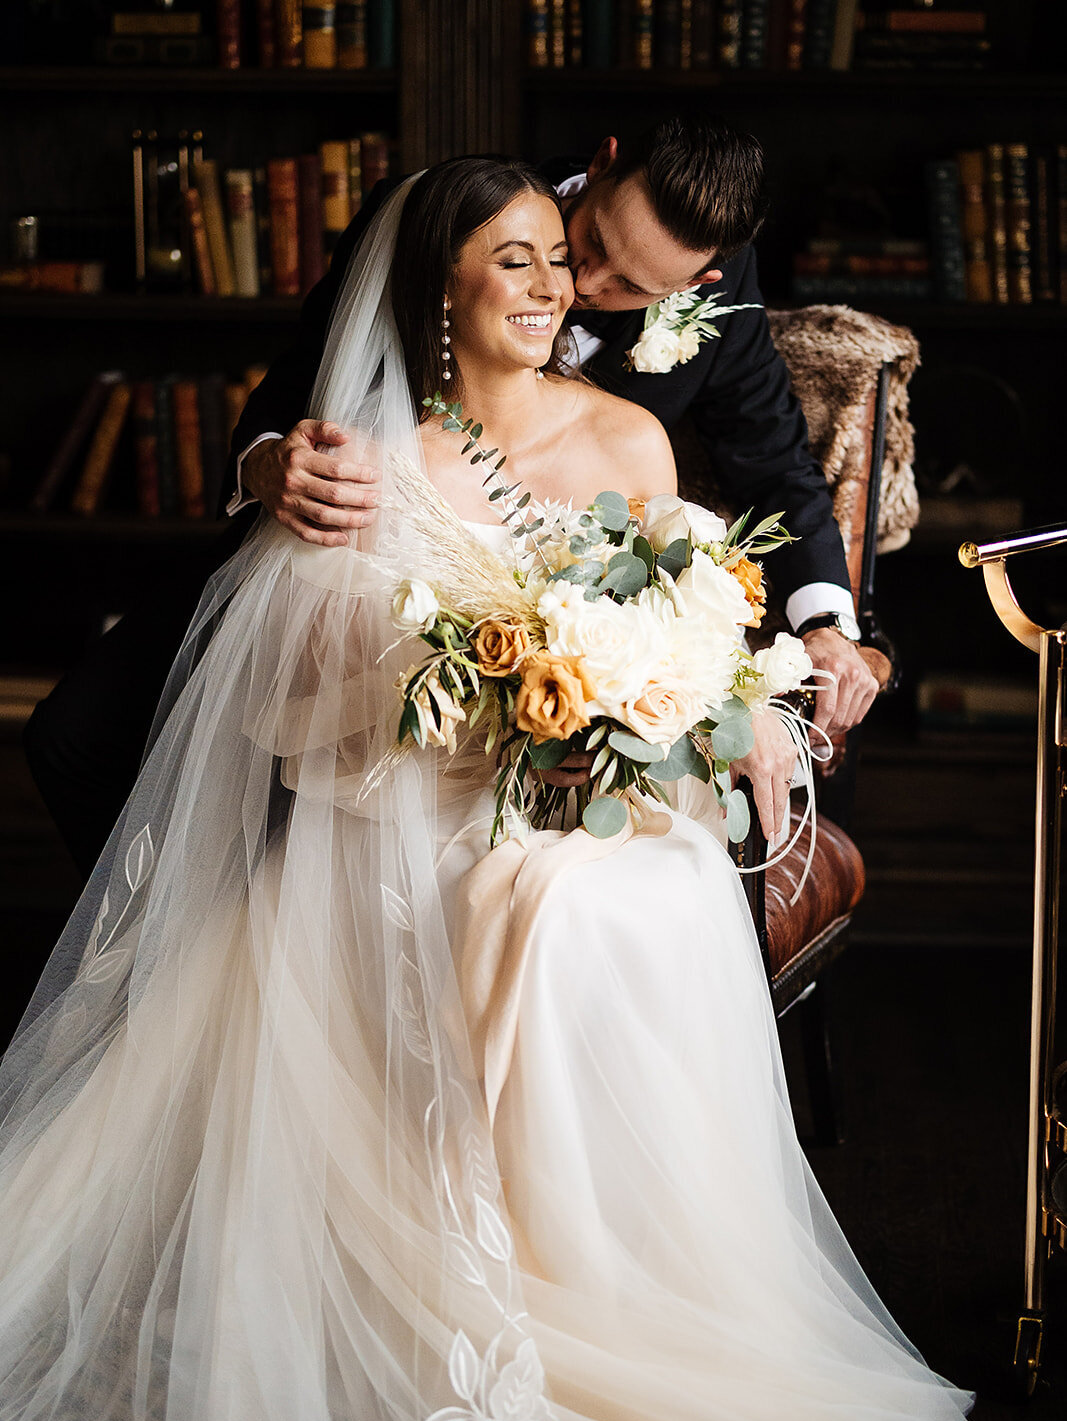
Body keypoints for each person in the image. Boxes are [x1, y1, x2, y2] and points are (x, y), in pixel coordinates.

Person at [0, 158, 1000, 1421]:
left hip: (599, 795)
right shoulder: (371, 453)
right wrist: (291, 492)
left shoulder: (649, 413)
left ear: (685, 291)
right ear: (448, 283)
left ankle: (633, 1286)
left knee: (619, 897)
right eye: (534, 258)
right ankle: (453, 1254)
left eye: (579, 272)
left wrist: (701, 689)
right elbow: (309, 676)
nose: (563, 289)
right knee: (489, 893)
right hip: (417, 782)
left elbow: (731, 560)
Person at [24, 117, 878, 877]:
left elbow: (774, 471)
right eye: (589, 245)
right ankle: (186, 946)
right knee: (75, 739)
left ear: (694, 285)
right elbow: (299, 382)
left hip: (548, 617)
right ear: (603, 162)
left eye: (629, 287)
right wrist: (265, 465)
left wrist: (826, 628)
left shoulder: (719, 304)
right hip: (347, 552)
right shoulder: (439, 213)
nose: (575, 285)